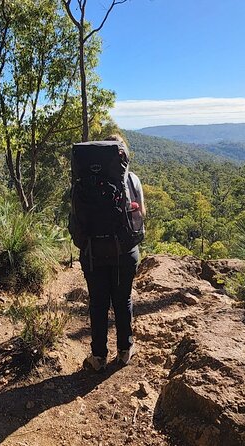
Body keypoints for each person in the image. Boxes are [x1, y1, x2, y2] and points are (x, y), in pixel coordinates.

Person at [81, 134, 146, 372]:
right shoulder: (132, 180)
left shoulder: (83, 180)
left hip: (92, 253)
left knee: (98, 303)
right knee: (123, 300)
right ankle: (125, 350)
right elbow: (141, 216)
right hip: (124, 251)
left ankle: (98, 357)